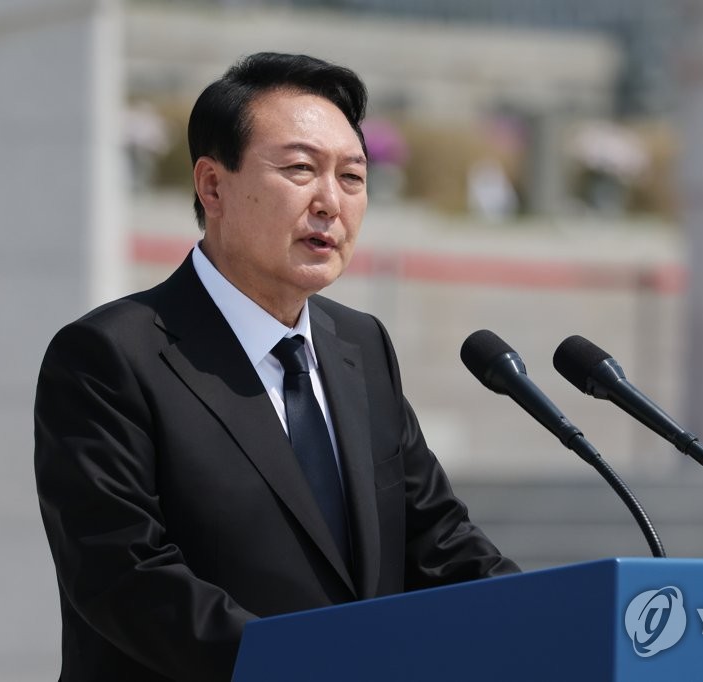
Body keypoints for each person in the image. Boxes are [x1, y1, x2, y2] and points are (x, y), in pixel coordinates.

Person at [34, 52, 518, 681]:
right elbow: (124, 576)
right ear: (213, 186)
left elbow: (440, 543)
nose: (330, 202)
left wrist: (555, 619)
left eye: (352, 176)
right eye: (300, 169)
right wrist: (308, 666)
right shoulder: (108, 357)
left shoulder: (362, 346)